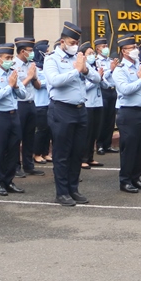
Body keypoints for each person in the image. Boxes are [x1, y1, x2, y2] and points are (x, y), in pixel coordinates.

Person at [43, 21, 94, 205]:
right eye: (71, 42)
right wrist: (76, 71)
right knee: (62, 153)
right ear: (62, 41)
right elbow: (55, 81)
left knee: (77, 152)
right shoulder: (51, 59)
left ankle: (73, 189)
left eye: (76, 43)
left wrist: (85, 69)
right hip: (61, 110)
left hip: (80, 110)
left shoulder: (78, 58)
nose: (74, 46)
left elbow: (96, 78)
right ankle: (62, 192)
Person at [112, 35, 141, 192]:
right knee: (129, 149)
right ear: (124, 51)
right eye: (132, 48)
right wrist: (140, 80)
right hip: (129, 113)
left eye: (135, 47)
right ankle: (125, 180)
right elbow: (125, 90)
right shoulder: (120, 70)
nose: (135, 50)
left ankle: (136, 177)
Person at [0, 43, 30, 196]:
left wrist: (16, 87)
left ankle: (9, 181)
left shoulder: (13, 72)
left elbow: (23, 94)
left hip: (14, 115)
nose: (10, 60)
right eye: (7, 58)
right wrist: (10, 86)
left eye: (11, 57)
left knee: (13, 150)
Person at [13, 37, 45, 179]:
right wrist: (28, 77)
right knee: (16, 137)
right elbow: (15, 87)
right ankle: (15, 166)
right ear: (22, 51)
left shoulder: (31, 65)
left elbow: (37, 86)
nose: (32, 54)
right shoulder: (13, 65)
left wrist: (34, 77)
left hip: (31, 103)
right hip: (19, 104)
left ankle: (28, 165)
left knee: (29, 136)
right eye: (30, 51)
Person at [78, 42, 105, 170]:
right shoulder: (83, 67)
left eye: (93, 53)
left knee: (95, 131)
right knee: (87, 133)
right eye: (89, 54)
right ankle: (83, 158)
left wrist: (102, 78)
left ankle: (90, 157)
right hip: (88, 103)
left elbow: (103, 84)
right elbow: (84, 87)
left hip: (98, 102)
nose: (92, 55)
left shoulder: (96, 66)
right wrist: (97, 78)